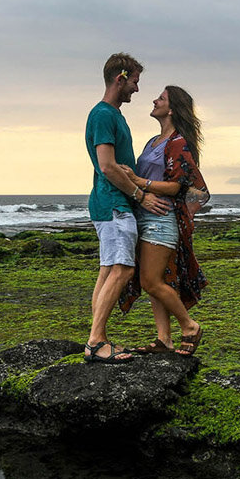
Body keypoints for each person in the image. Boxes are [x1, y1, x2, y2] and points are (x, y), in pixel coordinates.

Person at [83, 53, 170, 364]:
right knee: (123, 269)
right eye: (134, 81)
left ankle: (98, 338)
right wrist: (140, 195)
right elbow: (107, 166)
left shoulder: (113, 116)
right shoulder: (104, 115)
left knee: (108, 270)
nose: (136, 88)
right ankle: (95, 342)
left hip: (111, 204)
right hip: (114, 204)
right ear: (120, 79)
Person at [117, 85, 209, 357]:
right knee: (156, 280)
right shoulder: (152, 142)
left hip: (162, 218)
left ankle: (190, 326)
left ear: (171, 109)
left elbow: (179, 186)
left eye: (161, 98)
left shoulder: (178, 142)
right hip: (144, 216)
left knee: (150, 281)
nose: (154, 100)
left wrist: (137, 181)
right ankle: (163, 339)